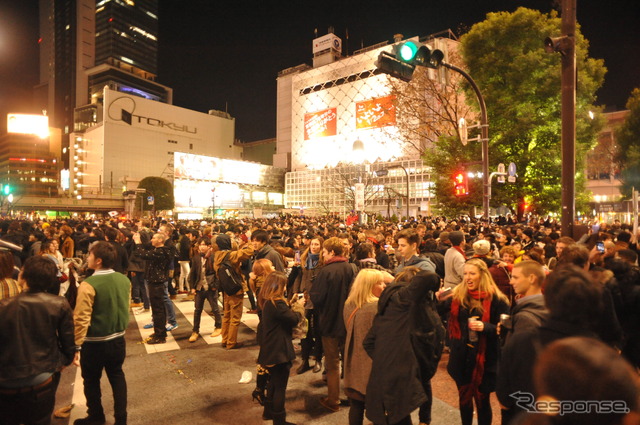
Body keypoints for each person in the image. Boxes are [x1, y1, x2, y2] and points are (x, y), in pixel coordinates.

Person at [496, 266, 604, 425]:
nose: (511, 281)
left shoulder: (522, 340)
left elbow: (504, 398)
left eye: (515, 277)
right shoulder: (601, 354)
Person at [0, 256, 76, 425]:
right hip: (42, 378)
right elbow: (68, 342)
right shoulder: (58, 304)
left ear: (23, 276)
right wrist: (63, 361)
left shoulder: (3, 306)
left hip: (5, 381)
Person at [364, 268, 443, 425]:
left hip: (387, 375)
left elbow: (369, 342)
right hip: (399, 376)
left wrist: (385, 358)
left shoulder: (388, 307)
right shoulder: (405, 300)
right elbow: (427, 276)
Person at [445, 258, 510, 425]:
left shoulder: (498, 299)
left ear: (483, 275)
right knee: (464, 400)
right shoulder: (458, 295)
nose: (468, 277)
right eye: (465, 273)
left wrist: (485, 327)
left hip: (485, 359)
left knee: (482, 401)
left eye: (472, 273)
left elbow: (505, 330)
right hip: (462, 358)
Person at [73, 241, 130, 425]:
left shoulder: (88, 284)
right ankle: (121, 419)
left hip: (94, 342)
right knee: (117, 376)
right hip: (118, 339)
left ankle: (96, 417)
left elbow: (81, 318)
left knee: (91, 381)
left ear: (98, 260)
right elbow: (124, 307)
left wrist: (76, 345)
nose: (87, 258)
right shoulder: (124, 280)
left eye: (89, 255)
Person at [309, 236, 357, 413]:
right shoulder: (351, 268)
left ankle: (333, 399)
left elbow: (317, 297)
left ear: (331, 252)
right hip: (348, 320)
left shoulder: (325, 271)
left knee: (332, 363)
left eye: (324, 251)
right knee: (349, 361)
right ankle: (353, 396)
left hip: (329, 321)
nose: (322, 253)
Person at [343, 269, 390, 425]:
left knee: (356, 405)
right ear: (370, 285)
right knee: (379, 410)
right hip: (373, 364)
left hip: (353, 362)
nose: (384, 286)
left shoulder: (349, 303)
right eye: (380, 282)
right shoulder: (377, 307)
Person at [257, 271, 304, 425]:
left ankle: (268, 412)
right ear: (278, 286)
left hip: (270, 348)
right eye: (284, 285)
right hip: (279, 350)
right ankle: (279, 420)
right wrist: (299, 308)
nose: (285, 288)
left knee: (273, 383)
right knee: (280, 387)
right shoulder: (277, 302)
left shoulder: (267, 301)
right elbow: (293, 319)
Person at [214, 233, 254, 349]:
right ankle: (231, 342)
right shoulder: (231, 255)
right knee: (235, 317)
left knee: (227, 315)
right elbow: (249, 251)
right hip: (236, 289)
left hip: (226, 289)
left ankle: (225, 339)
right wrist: (249, 239)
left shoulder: (217, 255)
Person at [291, 235, 325, 375]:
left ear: (321, 246)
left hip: (318, 300)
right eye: (312, 244)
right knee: (304, 332)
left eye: (317, 244)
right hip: (305, 299)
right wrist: (296, 292)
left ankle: (318, 359)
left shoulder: (324, 262)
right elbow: (299, 277)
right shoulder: (304, 259)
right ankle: (304, 360)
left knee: (318, 330)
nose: (314, 246)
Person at [133, 231, 174, 344]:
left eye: (154, 238)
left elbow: (143, 254)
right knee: (157, 309)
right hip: (154, 282)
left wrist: (137, 243)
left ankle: (160, 336)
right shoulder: (157, 250)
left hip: (157, 283)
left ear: (160, 240)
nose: (151, 240)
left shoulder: (161, 251)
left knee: (158, 310)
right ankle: (159, 332)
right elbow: (146, 251)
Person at [187, 238, 222, 342]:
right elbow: (192, 274)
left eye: (204, 245)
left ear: (209, 246)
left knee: (215, 309)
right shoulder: (196, 258)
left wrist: (215, 285)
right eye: (200, 245)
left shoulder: (213, 257)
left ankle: (218, 327)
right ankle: (195, 331)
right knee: (197, 310)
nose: (201, 247)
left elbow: (217, 273)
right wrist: (192, 287)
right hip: (199, 288)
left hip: (211, 287)